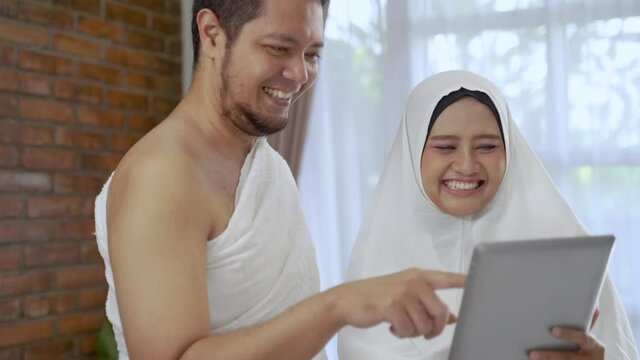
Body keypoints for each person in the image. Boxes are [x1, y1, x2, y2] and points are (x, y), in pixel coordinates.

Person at [94, 1, 466, 359]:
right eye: (279, 48)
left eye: (312, 54)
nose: (300, 73)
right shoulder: (162, 174)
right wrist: (339, 305)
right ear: (211, 34)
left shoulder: (265, 164)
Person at [338, 70, 639, 360]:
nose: (467, 165)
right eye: (445, 147)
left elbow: (611, 348)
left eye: (487, 146)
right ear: (412, 150)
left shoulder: (566, 247)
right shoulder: (378, 261)